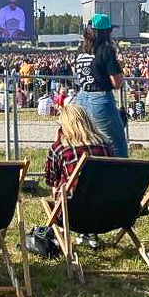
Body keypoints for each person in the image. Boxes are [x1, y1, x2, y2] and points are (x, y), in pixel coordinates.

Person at [44, 105, 115, 249]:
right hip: (107, 212)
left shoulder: (60, 148)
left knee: (60, 184)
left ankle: (62, 234)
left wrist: (56, 141)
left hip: (71, 214)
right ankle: (89, 234)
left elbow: (50, 180)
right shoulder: (107, 147)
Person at [73, 13, 128, 157]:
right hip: (101, 99)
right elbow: (117, 83)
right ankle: (122, 176)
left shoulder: (80, 50)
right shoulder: (106, 49)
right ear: (105, 32)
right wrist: (120, 70)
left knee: (89, 143)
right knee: (116, 143)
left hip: (81, 97)